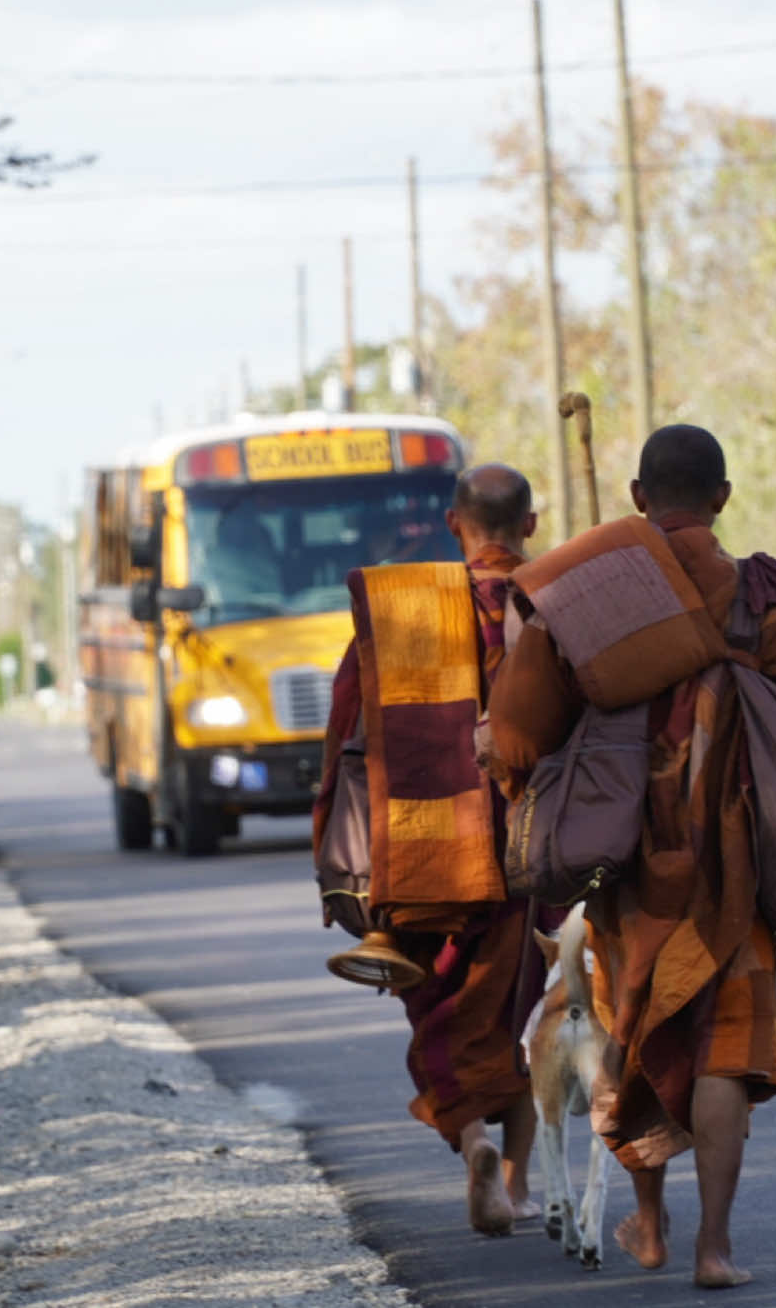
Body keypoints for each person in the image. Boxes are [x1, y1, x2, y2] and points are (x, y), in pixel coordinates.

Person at [485, 424, 776, 1289]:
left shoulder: (586, 595)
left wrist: (536, 784)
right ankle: (714, 1245)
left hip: (628, 864)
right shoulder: (762, 598)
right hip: (736, 866)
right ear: (722, 498)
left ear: (638, 497)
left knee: (632, 1031)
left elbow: (518, 732)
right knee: (724, 1051)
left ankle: (647, 1220)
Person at [314, 463, 546, 1238]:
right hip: (526, 847)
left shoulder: (402, 608)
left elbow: (348, 729)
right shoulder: (550, 603)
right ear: (530, 525)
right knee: (510, 1013)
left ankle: (474, 1138)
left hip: (421, 845)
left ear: (453, 525)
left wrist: (337, 842)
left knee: (439, 1012)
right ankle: (514, 1183)